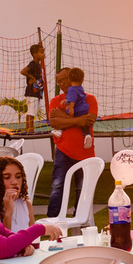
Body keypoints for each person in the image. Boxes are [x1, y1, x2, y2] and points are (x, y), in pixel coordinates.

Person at [47, 67, 97, 218]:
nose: (61, 84)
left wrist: (64, 117)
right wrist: (79, 120)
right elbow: (54, 121)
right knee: (58, 185)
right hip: (63, 150)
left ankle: (80, 220)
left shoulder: (89, 99)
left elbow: (89, 121)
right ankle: (52, 221)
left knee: (82, 189)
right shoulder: (56, 100)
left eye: (64, 79)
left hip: (84, 151)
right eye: (59, 81)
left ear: (72, 78)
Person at [0, 156, 34, 232]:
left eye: (18, 177)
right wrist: (8, 213)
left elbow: (33, 237)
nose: (15, 182)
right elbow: (3, 241)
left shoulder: (25, 204)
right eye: (7, 177)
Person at [62, 67, 94, 150]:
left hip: (77, 109)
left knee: (64, 114)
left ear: (68, 79)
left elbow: (73, 99)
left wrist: (71, 108)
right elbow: (77, 97)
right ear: (82, 80)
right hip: (84, 108)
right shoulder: (80, 88)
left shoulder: (71, 89)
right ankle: (87, 135)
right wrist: (66, 100)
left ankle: (60, 129)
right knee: (83, 125)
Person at [19, 42, 46, 120]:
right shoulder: (33, 64)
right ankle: (30, 129)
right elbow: (23, 71)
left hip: (36, 91)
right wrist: (32, 77)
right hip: (32, 91)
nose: (43, 54)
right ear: (35, 54)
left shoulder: (38, 64)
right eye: (41, 52)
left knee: (32, 111)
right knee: (31, 111)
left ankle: (29, 128)